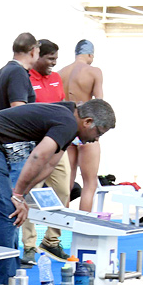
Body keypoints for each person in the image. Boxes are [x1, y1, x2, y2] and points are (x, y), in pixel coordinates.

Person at [0, 100, 116, 285]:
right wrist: (18, 195)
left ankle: (13, 282)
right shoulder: (67, 122)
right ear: (88, 121)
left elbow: (49, 165)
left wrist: (22, 195)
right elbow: (38, 156)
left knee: (12, 213)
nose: (95, 140)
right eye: (98, 133)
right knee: (8, 215)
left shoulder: (68, 116)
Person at [21, 39, 71, 263]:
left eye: (56, 59)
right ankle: (29, 245)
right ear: (38, 56)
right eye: (50, 58)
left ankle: (51, 241)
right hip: (34, 145)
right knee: (29, 194)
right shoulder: (25, 78)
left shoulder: (57, 78)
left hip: (57, 144)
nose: (53, 63)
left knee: (62, 190)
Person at [55, 39, 105, 211]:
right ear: (90, 54)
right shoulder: (94, 72)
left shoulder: (60, 73)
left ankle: (59, 229)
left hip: (68, 128)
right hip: (87, 127)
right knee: (89, 182)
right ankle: (84, 226)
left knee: (66, 181)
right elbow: (99, 104)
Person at [0, 33, 38, 113]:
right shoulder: (18, 72)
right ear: (33, 51)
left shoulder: (1, 72)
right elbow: (18, 109)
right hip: (11, 125)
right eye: (38, 53)